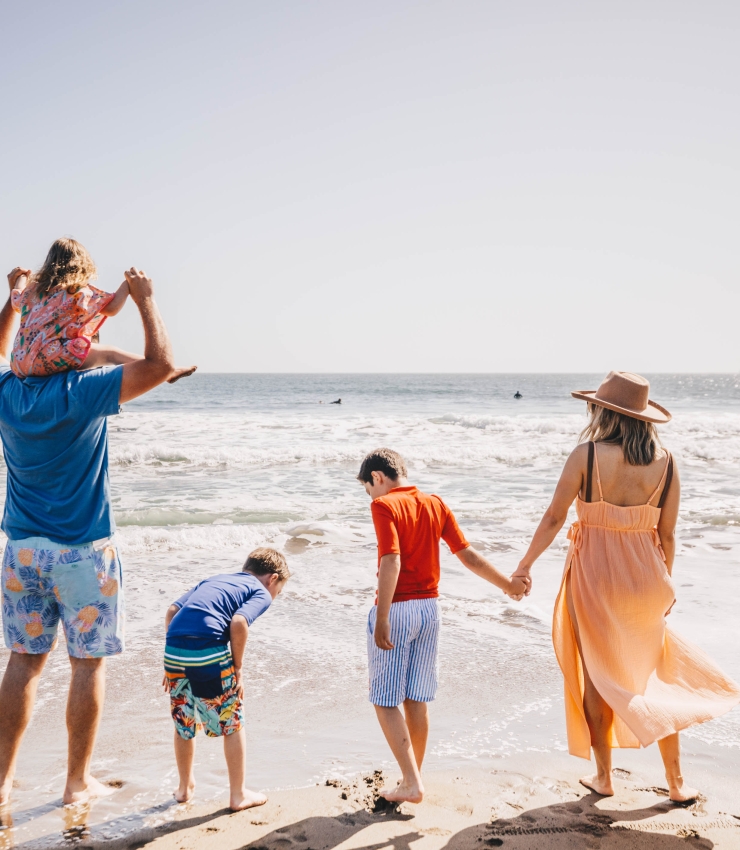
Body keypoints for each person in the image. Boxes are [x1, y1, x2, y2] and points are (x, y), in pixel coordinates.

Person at [0, 264, 183, 805]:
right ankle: (76, 783)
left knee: (23, 662)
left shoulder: (7, 390)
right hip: (82, 553)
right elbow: (162, 366)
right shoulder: (83, 390)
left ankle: (1, 782)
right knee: (87, 664)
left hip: (22, 551)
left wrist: (12, 303)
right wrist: (147, 300)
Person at [511, 372, 740, 802]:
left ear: (603, 412)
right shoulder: (667, 463)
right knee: (657, 675)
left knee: (598, 675)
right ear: (644, 418)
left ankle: (604, 778)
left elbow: (554, 518)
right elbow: (668, 535)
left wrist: (525, 565)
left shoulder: (587, 455)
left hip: (594, 577)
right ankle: (675, 783)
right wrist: (665, 586)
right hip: (648, 580)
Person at [357, 448, 528, 805]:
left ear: (377, 477)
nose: (369, 496)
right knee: (415, 699)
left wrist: (383, 616)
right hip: (430, 611)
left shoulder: (384, 505)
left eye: (367, 488)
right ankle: (411, 779)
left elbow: (391, 559)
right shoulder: (434, 503)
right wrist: (508, 586)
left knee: (385, 701)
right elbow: (467, 555)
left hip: (400, 608)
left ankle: (411, 782)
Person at [163, 548, 290, 811]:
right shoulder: (261, 591)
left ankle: (185, 788)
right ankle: (238, 795)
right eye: (279, 590)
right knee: (232, 720)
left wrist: (176, 661)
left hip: (173, 649)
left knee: (184, 720)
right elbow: (239, 623)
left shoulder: (214, 580)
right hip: (209, 650)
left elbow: (172, 611)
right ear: (273, 578)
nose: (274, 596)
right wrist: (237, 668)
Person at [9, 237, 196, 382]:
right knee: (109, 353)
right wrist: (128, 285)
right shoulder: (78, 292)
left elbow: (15, 295)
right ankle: (168, 372)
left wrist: (23, 276)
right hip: (50, 356)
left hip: (19, 362)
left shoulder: (32, 292)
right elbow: (112, 308)